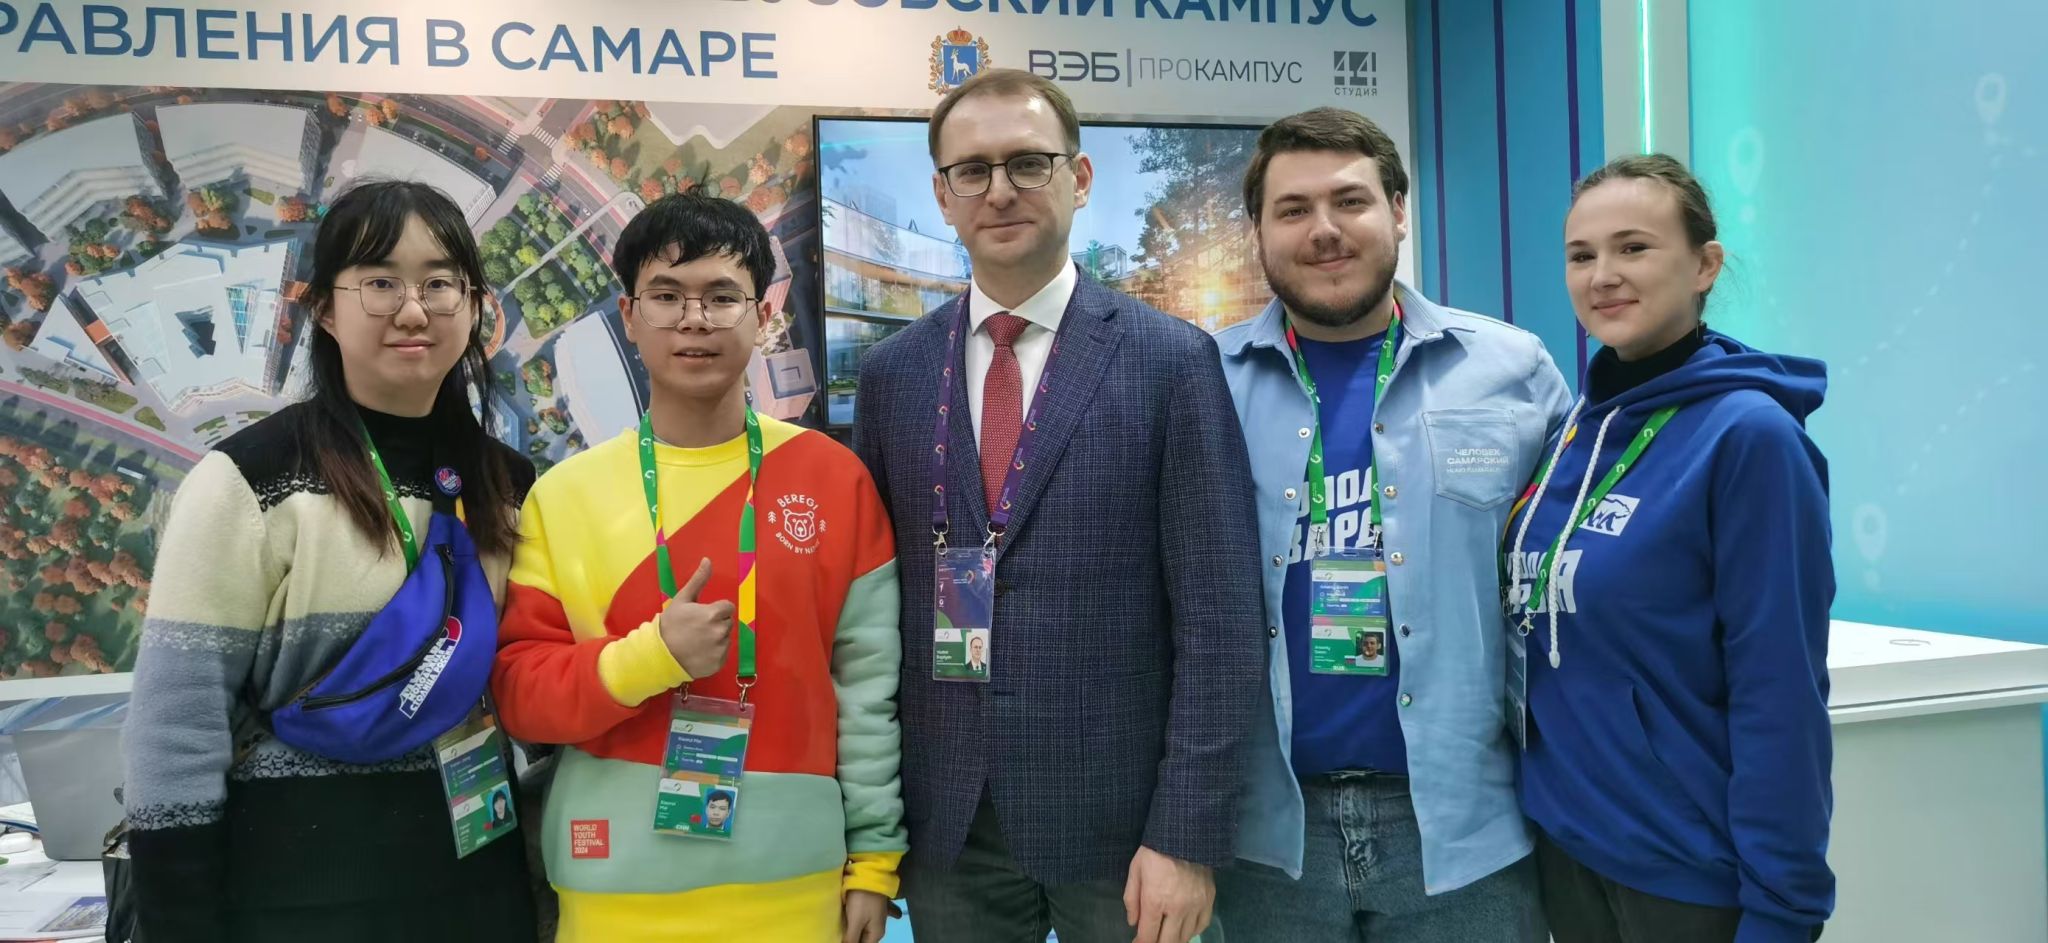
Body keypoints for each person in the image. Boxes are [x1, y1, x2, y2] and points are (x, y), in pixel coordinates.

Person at [852, 68, 1264, 943]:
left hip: (1124, 831)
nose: (999, 190)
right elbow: (872, 614)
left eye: (1027, 163)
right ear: (942, 196)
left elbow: (1220, 618)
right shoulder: (893, 375)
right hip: (950, 824)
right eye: (972, 170)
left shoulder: (1171, 361)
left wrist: (1185, 834)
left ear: (1078, 178)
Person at [120, 180, 538, 941]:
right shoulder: (250, 480)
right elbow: (176, 725)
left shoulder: (508, 486)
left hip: (478, 884)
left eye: (440, 282)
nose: (413, 310)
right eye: (380, 282)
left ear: (474, 305)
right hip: (297, 898)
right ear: (323, 308)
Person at [492, 191, 905, 943]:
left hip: (793, 881)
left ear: (763, 314)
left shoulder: (833, 479)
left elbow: (868, 692)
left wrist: (874, 862)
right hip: (613, 883)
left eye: (721, 296)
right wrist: (648, 658)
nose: (694, 319)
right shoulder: (565, 494)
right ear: (629, 315)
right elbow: (522, 696)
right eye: (666, 296)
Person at [1214, 107, 1567, 942]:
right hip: (1265, 836)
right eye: (1293, 209)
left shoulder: (1512, 370)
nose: (1324, 229)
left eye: (1351, 201)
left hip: (1467, 829)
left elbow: (1564, 587)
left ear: (1399, 210)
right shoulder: (1203, 381)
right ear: (1257, 231)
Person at [1503, 153, 1833, 943]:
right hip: (1567, 850)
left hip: (1688, 872)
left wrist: (1785, 906)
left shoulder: (1750, 438)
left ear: (1704, 265)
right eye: (1581, 255)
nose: (1603, 276)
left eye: (1634, 247)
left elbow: (1780, 690)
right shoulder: (1572, 432)